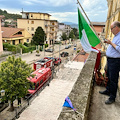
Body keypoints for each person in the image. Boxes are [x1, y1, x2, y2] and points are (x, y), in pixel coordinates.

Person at [99, 21, 120, 104]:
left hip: (115, 61)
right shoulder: (116, 36)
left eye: (112, 28)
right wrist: (109, 43)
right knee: (109, 77)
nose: (111, 30)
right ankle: (108, 90)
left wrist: (110, 42)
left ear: (116, 28)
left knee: (113, 79)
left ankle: (112, 97)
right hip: (110, 60)